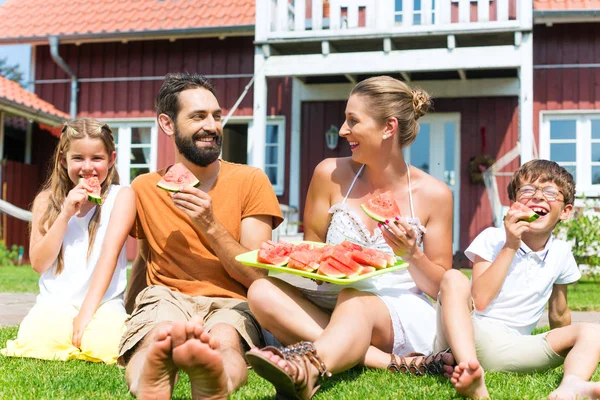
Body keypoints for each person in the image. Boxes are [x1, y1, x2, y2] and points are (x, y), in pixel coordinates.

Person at [245, 76, 455, 399]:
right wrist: (311, 265)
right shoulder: (328, 174)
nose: (343, 130)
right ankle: (389, 363)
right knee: (260, 291)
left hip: (397, 310)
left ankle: (308, 369)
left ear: (389, 128)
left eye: (353, 121)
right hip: (332, 299)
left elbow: (442, 287)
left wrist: (413, 255)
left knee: (355, 302)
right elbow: (310, 250)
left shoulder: (435, 194)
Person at [118, 72, 283, 400]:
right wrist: (128, 304)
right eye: (198, 116)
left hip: (232, 301)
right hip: (166, 295)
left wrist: (209, 224)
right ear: (167, 124)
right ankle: (146, 384)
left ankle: (216, 382)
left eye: (216, 116)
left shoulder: (251, 180)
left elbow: (257, 276)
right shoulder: (144, 188)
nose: (212, 125)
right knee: (156, 337)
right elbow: (148, 255)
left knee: (224, 340)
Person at [434, 159, 600, 400]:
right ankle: (472, 372)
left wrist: (574, 344)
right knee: (452, 278)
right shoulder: (493, 238)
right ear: (513, 204)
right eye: (527, 190)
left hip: (514, 347)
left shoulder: (562, 253)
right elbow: (479, 299)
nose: (538, 197)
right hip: (467, 336)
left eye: (551, 192)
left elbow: (559, 313)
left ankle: (571, 385)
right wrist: (511, 245)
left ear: (565, 211)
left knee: (593, 331)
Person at [1, 118, 135, 364]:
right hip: (56, 302)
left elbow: (109, 256)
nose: (87, 168)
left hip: (103, 302)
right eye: (78, 158)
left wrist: (86, 313)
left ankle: (92, 333)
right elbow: (40, 264)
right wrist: (65, 214)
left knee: (107, 346)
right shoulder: (45, 200)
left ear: (111, 159)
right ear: (63, 161)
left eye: (97, 158)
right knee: (37, 341)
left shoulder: (122, 197)